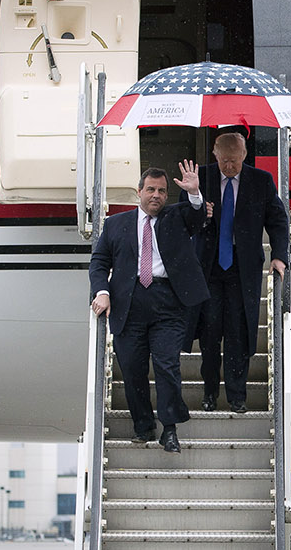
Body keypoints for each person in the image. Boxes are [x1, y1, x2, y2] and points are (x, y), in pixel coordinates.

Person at [87, 163, 207, 453]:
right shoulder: (116, 224)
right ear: (139, 192)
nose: (156, 195)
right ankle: (143, 426)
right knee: (132, 370)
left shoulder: (177, 217)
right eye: (151, 189)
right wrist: (102, 291)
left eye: (162, 191)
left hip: (168, 303)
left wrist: (194, 193)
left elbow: (197, 217)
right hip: (129, 304)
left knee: (167, 365)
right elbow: (100, 261)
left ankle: (169, 429)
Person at [195, 127, 290, 412]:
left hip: (242, 266)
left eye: (235, 160)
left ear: (245, 155)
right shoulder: (202, 177)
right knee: (210, 330)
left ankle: (237, 396)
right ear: (215, 154)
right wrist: (200, 209)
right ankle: (209, 393)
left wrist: (279, 255)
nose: (229, 166)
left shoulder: (261, 181)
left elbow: (277, 220)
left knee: (238, 330)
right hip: (210, 266)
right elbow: (184, 218)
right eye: (224, 160)